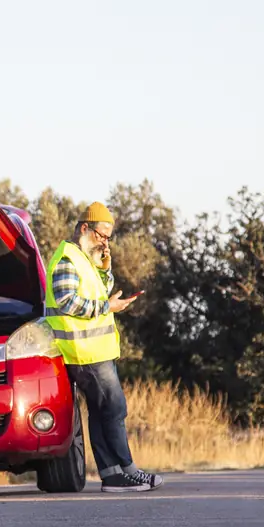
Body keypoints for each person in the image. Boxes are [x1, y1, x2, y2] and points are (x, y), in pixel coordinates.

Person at [43, 201, 165, 493]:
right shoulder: (67, 260)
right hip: (84, 353)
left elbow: (100, 291)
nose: (105, 241)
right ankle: (128, 470)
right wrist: (107, 307)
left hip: (94, 351)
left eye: (109, 237)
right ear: (85, 228)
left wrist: (105, 268)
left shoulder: (83, 259)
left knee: (101, 412)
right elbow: (68, 302)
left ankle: (112, 475)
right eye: (101, 235)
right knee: (114, 409)